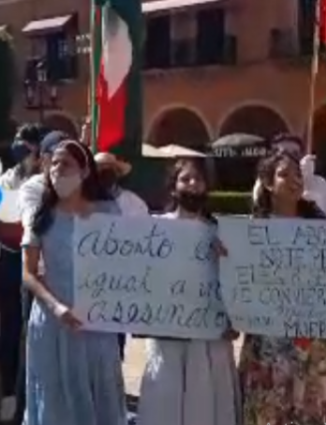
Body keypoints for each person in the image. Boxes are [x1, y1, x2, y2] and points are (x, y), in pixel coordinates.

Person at [22, 139, 125, 425]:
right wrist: (56, 308)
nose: (57, 170)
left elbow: (129, 262)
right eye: (53, 163)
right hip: (52, 321)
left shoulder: (108, 212)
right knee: (55, 397)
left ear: (84, 170)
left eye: (65, 163)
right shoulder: (39, 216)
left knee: (97, 391)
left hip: (96, 321)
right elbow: (28, 273)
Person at [137, 158, 240, 425]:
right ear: (173, 188)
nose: (193, 184)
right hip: (167, 333)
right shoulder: (155, 229)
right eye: (185, 179)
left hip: (209, 336)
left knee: (204, 402)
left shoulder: (220, 232)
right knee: (165, 401)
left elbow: (237, 282)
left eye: (199, 179)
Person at [237, 150, 326, 425]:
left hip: (308, 342)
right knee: (267, 411)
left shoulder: (319, 227)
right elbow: (239, 279)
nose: (294, 181)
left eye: (297, 174)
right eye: (283, 174)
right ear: (266, 183)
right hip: (266, 340)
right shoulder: (252, 230)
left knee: (306, 412)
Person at [0, 123, 46, 422]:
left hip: (37, 261)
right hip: (6, 261)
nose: (19, 148)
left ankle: (34, 395)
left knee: (36, 330)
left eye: (25, 144)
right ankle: (8, 395)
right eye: (16, 143)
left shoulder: (47, 182)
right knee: (9, 330)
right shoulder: (6, 178)